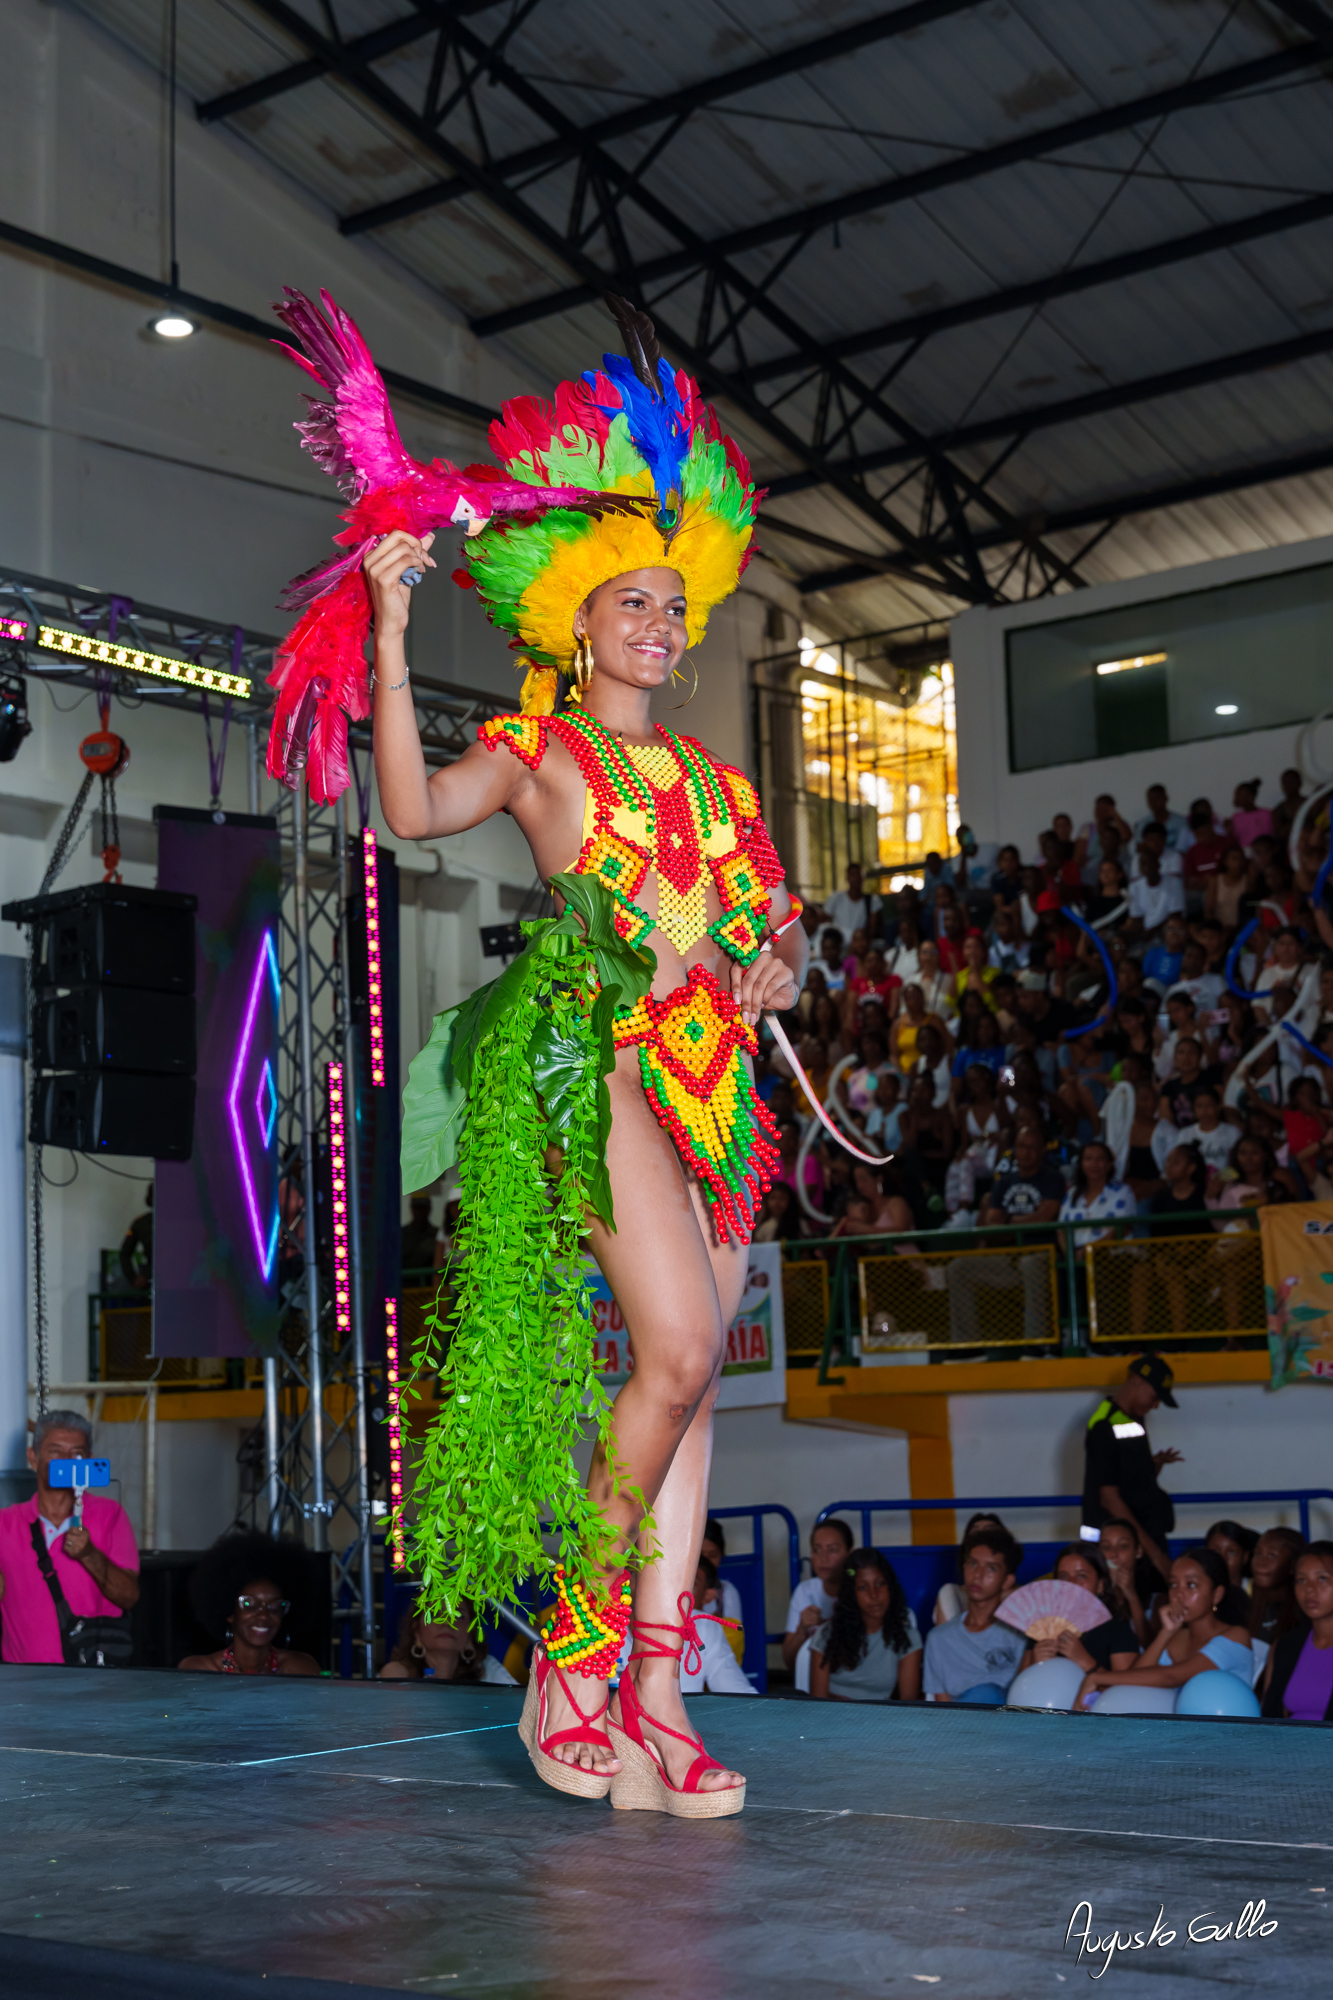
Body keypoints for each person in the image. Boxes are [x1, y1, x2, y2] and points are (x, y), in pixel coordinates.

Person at [369, 305, 809, 1818]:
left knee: (690, 1410)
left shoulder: (723, 784)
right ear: (571, 616)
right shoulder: (541, 753)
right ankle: (572, 1647)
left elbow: (777, 938)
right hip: (594, 1068)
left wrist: (770, 966)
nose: (659, 625)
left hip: (721, 1094)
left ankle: (661, 1693)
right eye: (632, 601)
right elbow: (416, 814)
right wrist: (386, 627)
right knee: (675, 1354)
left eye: (673, 608)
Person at [0, 1409, 139, 1665]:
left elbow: (129, 1597)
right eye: (55, 1451)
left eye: (77, 1453)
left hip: (95, 1686)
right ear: (33, 1458)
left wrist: (89, 1555)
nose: (67, 1461)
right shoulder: (5, 1522)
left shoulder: (111, 1515)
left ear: (89, 1460)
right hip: (21, 1688)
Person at [1075, 1548, 1252, 1709]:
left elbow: (1171, 1677)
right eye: (1173, 1584)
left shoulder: (1236, 1636)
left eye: (1191, 1585)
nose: (1178, 1594)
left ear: (1217, 1594)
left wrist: (1097, 1677)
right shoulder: (1177, 1637)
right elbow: (1132, 1681)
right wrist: (1165, 1634)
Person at [1081, 1354, 1181, 1591]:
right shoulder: (1104, 1426)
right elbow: (1110, 1497)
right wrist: (1155, 1556)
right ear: (1137, 1382)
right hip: (1127, 1548)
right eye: (1155, 1397)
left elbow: (1129, 1479)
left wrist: (1153, 1466)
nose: (1155, 1405)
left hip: (1143, 1539)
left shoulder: (1133, 1419)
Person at [178, 1531, 320, 1675]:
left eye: (275, 1607)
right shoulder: (201, 1670)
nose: (263, 1615)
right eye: (249, 1605)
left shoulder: (301, 1669)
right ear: (230, 1612)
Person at [923, 1527, 1027, 1702]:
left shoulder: (1021, 1634)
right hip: (959, 1725)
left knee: (990, 1693)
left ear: (1007, 1581)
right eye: (972, 1564)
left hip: (1010, 1723)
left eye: (991, 1569)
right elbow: (941, 1708)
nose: (977, 1575)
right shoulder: (938, 1639)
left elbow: (1027, 1698)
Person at [809, 1549, 923, 1702]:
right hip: (833, 1719)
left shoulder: (907, 1636)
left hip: (881, 1721)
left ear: (890, 1586)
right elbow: (817, 1704)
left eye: (880, 1584)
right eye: (863, 1587)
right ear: (851, 1594)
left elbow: (908, 1702)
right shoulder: (827, 1635)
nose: (874, 1595)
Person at [1018, 1543, 1139, 1677]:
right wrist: (1035, 1665)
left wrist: (1084, 1661)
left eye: (1081, 1576)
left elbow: (1126, 1691)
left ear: (1100, 1585)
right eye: (1064, 1577)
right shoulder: (1043, 1628)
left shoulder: (1118, 1631)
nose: (1071, 1583)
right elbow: (1018, 1689)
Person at [1262, 1542, 1333, 1721]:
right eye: (1301, 1580)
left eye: (1322, 1578)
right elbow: (1269, 1715)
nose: (1309, 1589)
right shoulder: (1286, 1646)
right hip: (1287, 1747)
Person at [380, 1597, 517, 1683]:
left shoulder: (488, 1670)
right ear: (417, 1632)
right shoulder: (398, 1674)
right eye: (435, 1614)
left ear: (470, 1634)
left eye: (458, 1616)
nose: (447, 1623)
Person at [782, 1518, 855, 1672]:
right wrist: (802, 1630)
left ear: (849, 1553)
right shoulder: (805, 1591)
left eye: (833, 1550)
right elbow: (789, 1662)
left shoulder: (861, 1590)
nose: (823, 1558)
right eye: (817, 1550)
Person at [1058, 1140, 1135, 1248]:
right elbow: (1061, 1230)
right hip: (1077, 1258)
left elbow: (1123, 1228)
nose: (1094, 1164)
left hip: (1113, 1258)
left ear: (1109, 1164)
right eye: (1088, 1159)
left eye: (1100, 1159)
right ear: (1081, 1164)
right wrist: (1071, 1256)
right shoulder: (1073, 1193)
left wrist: (1090, 1251)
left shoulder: (1123, 1191)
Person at [1248, 1525, 1307, 1647]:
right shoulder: (1245, 1607)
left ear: (1293, 1564)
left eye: (1272, 1555)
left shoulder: (1305, 1612)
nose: (1261, 1562)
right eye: (1258, 1554)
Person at [1097, 1517, 1150, 1646]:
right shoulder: (1091, 1593)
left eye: (1123, 1546)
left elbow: (1147, 1643)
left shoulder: (1157, 1599)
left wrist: (1131, 1596)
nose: (1114, 1554)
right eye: (1106, 1547)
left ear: (1138, 1551)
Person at [820, 861, 879, 946]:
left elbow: (872, 930)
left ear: (863, 877)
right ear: (847, 878)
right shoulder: (835, 898)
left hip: (858, 944)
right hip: (838, 944)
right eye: (852, 874)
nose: (855, 878)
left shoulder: (872, 900)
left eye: (858, 874)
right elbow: (823, 919)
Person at [118, 1187, 153, 1290]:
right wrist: (133, 1278)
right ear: (150, 1199)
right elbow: (125, 1253)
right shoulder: (142, 1223)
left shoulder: (180, 1222)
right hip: (151, 1279)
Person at [401, 1193, 439, 1271]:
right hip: (406, 1281)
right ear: (412, 1209)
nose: (420, 1212)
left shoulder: (438, 1235)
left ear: (429, 1209)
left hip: (430, 1282)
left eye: (423, 1208)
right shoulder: (401, 1234)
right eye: (417, 1208)